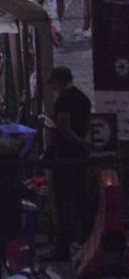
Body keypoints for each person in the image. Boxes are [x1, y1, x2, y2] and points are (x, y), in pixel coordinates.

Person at [44, 65, 94, 254]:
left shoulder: (64, 100)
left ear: (58, 81)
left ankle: (62, 245)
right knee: (81, 198)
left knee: (63, 200)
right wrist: (83, 143)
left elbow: (64, 126)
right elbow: (85, 125)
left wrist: (77, 141)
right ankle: (88, 238)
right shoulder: (84, 99)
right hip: (79, 156)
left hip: (65, 155)